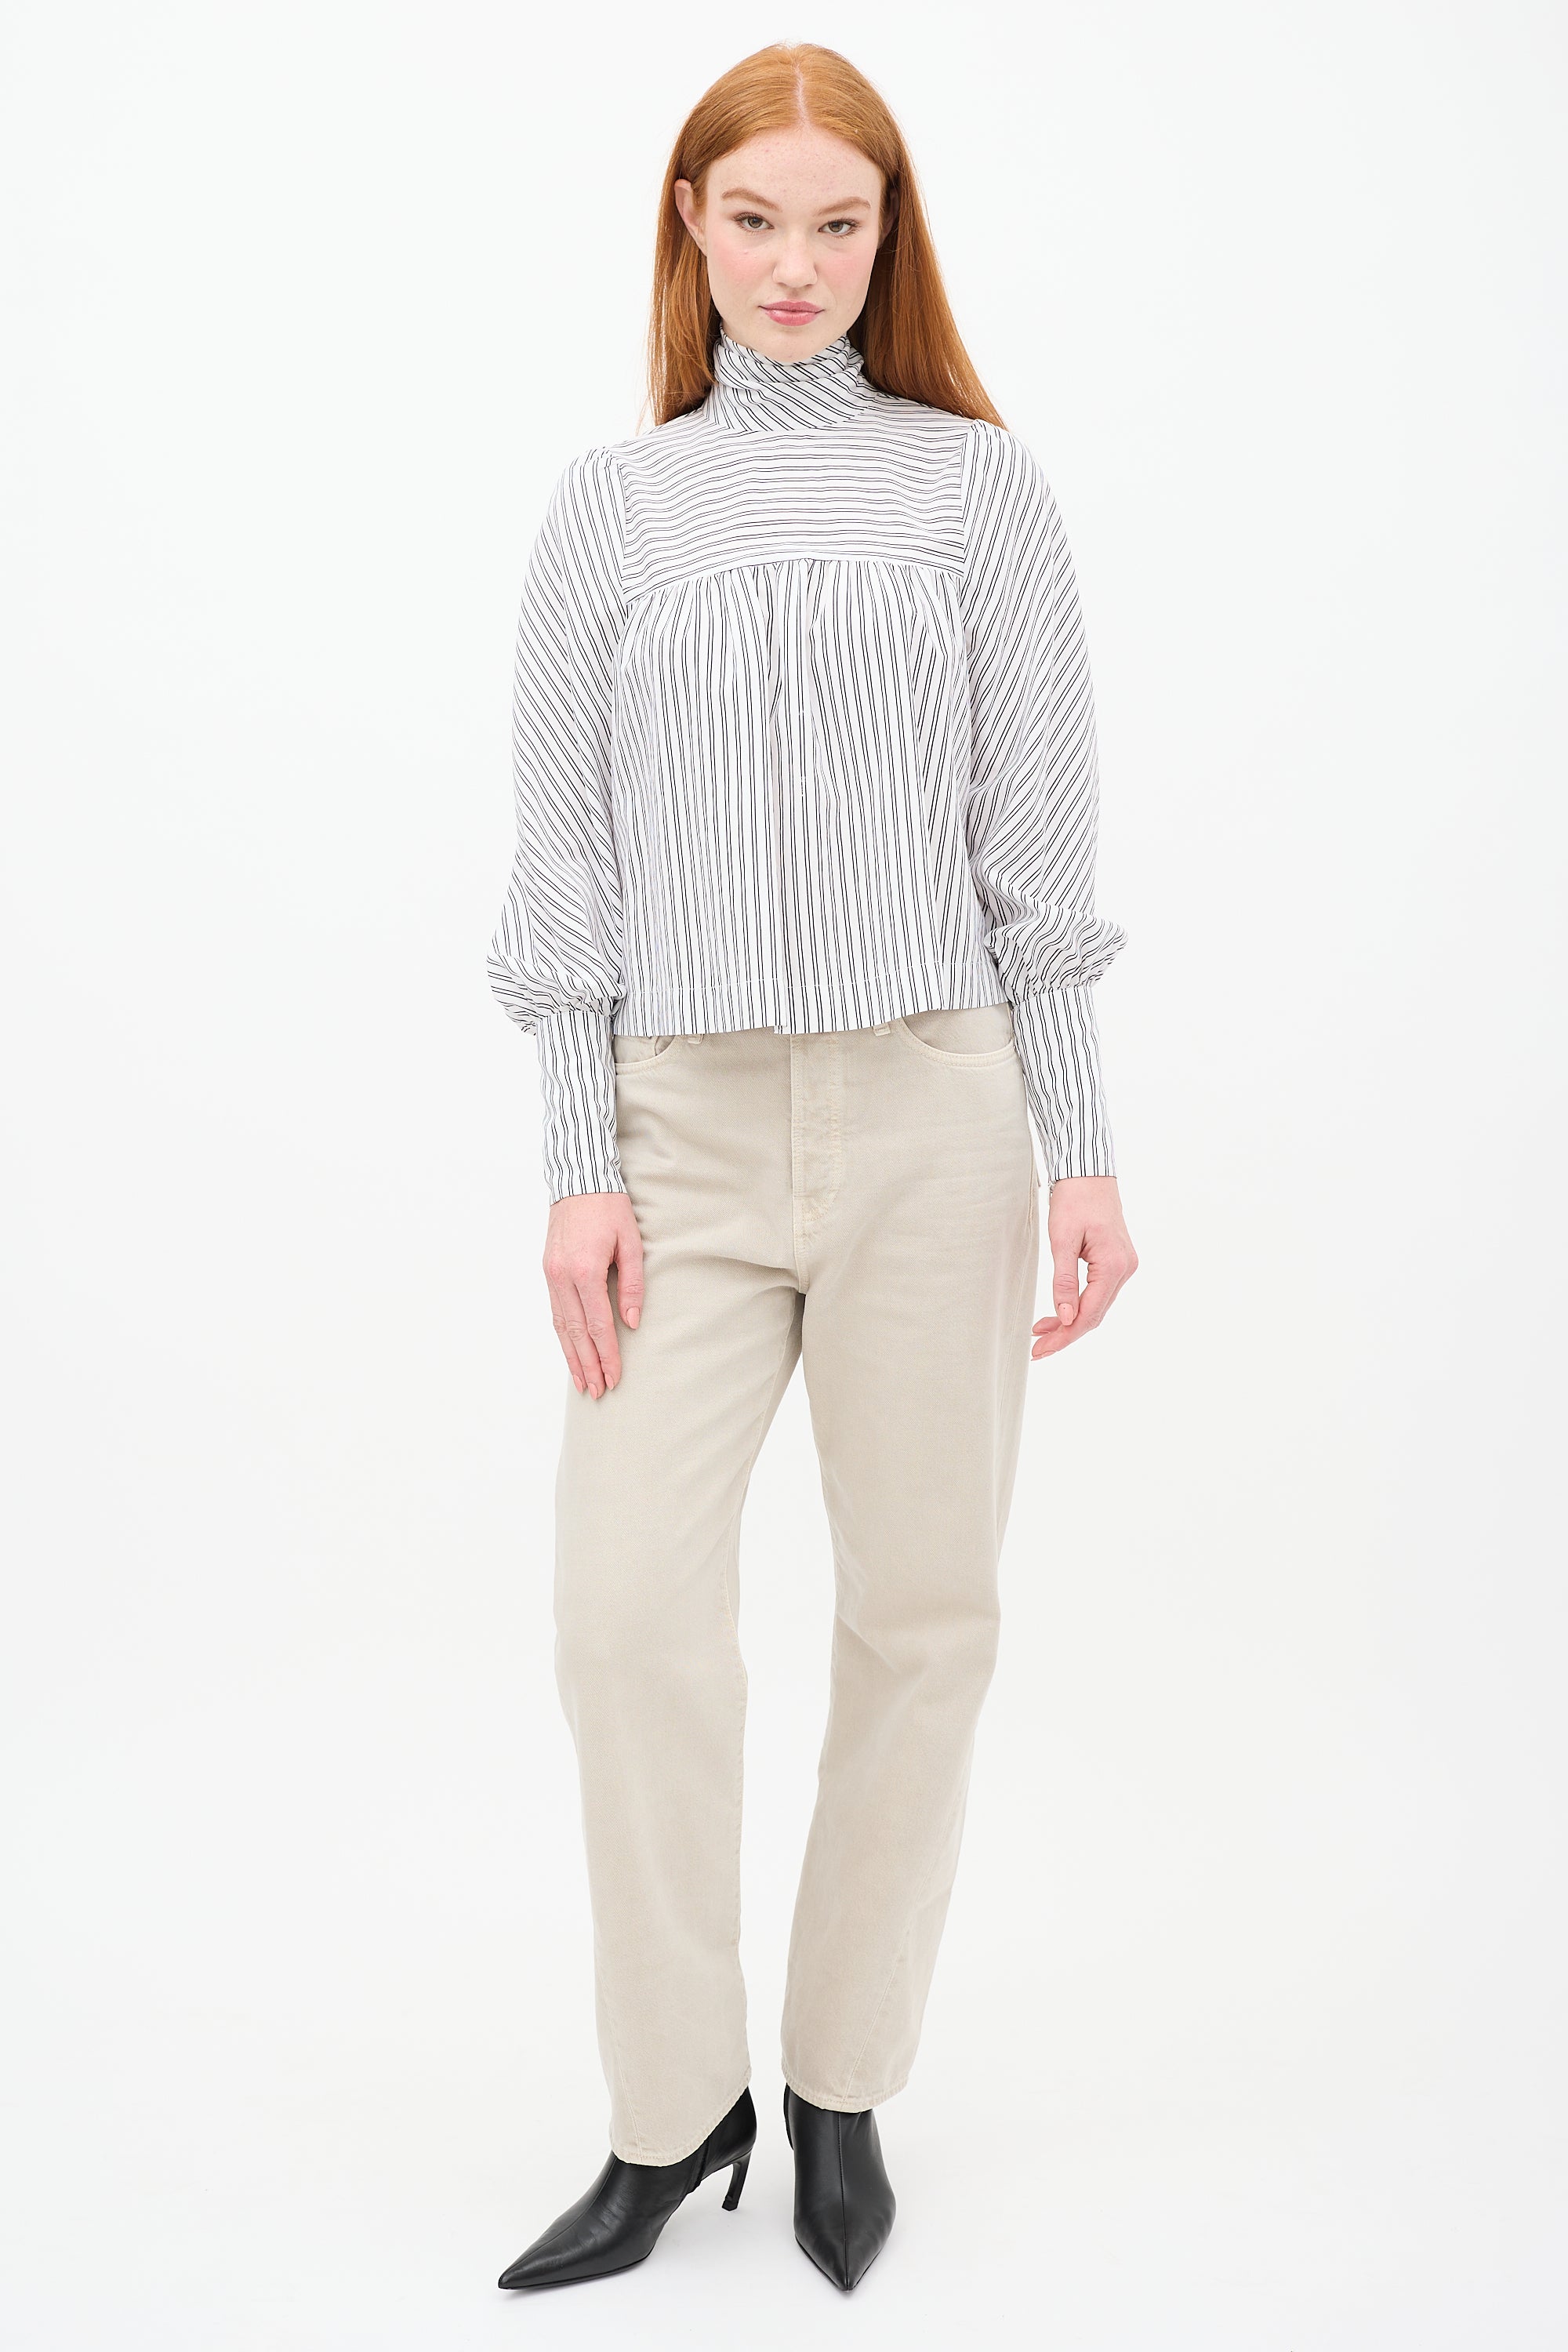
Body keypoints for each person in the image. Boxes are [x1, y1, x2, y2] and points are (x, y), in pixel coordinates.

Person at [486, 40, 1138, 2294]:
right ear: (690, 223)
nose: (793, 264)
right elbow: (562, 866)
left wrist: (1083, 1147)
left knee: (922, 1611)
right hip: (676, 1131)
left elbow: (1038, 858)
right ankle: (675, 2113)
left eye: (837, 223)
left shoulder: (977, 494)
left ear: (889, 237)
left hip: (939, 1112)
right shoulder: (610, 510)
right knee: (624, 1621)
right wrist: (578, 1161)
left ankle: (845, 2083)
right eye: (752, 217)